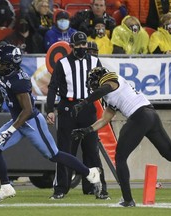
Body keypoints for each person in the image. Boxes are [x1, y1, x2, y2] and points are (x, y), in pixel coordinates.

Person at [0, 19, 101, 205]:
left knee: (54, 155)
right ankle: (6, 186)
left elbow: (28, 110)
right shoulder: (4, 69)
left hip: (31, 122)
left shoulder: (19, 80)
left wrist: (10, 130)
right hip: (18, 121)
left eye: (1, 62)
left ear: (9, 64)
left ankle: (90, 172)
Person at [70, 66, 171, 207]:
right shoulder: (111, 95)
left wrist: (84, 102)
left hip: (139, 116)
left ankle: (128, 200)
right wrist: (86, 130)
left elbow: (104, 89)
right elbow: (104, 120)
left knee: (120, 157)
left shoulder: (111, 80)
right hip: (150, 114)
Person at [46, 31, 109, 200]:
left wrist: (110, 106)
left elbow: (105, 85)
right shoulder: (62, 63)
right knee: (66, 150)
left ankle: (97, 187)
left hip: (87, 107)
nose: (82, 48)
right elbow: (52, 87)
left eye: (84, 45)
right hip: (68, 107)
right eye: (78, 45)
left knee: (91, 150)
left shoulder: (95, 61)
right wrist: (50, 109)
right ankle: (61, 189)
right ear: (72, 46)